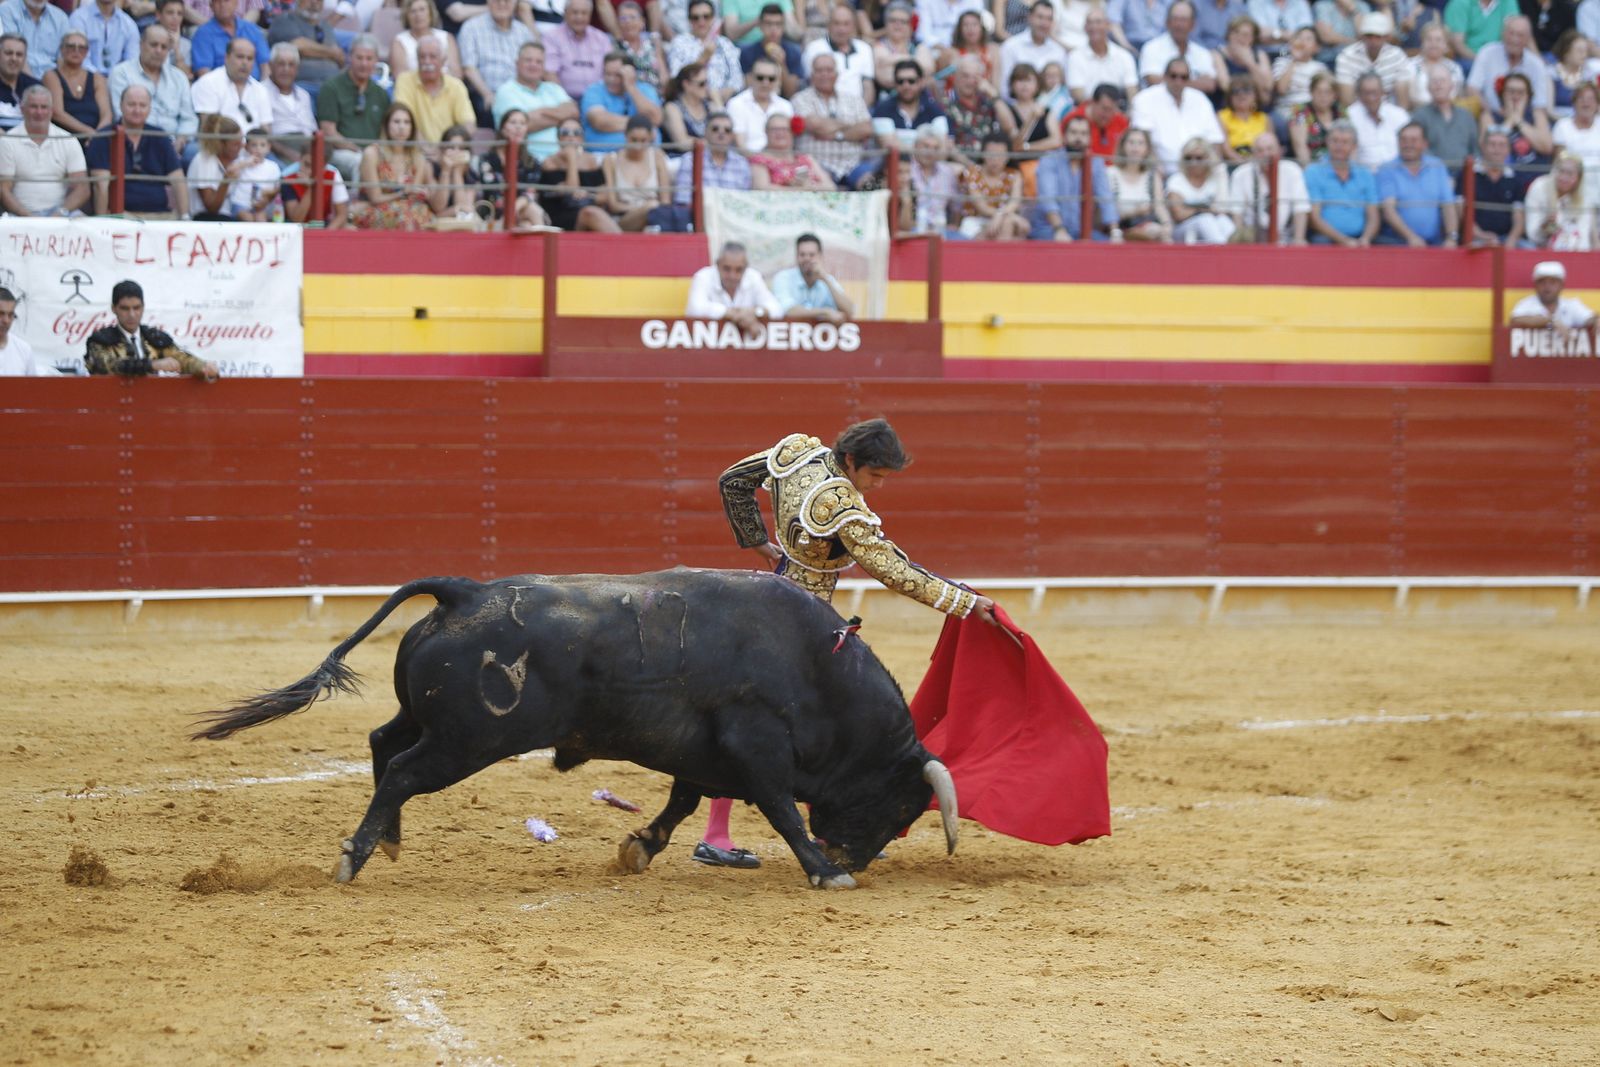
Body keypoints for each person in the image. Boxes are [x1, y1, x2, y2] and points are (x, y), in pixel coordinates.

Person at [697, 418, 998, 867]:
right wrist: (963, 602)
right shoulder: (842, 507)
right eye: (874, 475)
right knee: (798, 720)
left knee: (754, 711)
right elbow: (894, 570)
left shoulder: (798, 453)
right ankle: (758, 832)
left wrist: (759, 543)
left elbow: (733, 482)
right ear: (852, 460)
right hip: (805, 624)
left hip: (766, 597)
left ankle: (731, 833)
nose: (877, 485)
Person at [84, 279, 218, 380]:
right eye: (125, 308)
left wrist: (202, 366)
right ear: (114, 309)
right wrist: (152, 365)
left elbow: (181, 358)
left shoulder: (153, 338)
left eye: (136, 308)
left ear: (143, 307)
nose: (132, 314)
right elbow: (107, 366)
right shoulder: (101, 340)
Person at [88, 84, 187, 216]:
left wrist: (185, 218)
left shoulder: (160, 136)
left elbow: (178, 179)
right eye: (131, 104)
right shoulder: (104, 137)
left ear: (150, 108)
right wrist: (103, 223)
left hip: (160, 216)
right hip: (122, 216)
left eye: (142, 105)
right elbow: (101, 185)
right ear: (121, 105)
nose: (137, 110)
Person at [652, 109, 749, 230]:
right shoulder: (690, 160)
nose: (721, 133)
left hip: (733, 221)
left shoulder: (742, 163)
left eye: (727, 130)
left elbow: (745, 202)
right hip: (700, 221)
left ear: (732, 136)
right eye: (715, 129)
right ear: (705, 133)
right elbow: (683, 201)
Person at [110, 26, 196, 158]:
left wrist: (181, 140)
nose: (158, 51)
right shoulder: (121, 73)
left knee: (199, 154)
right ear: (141, 45)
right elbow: (121, 114)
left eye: (164, 47)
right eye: (154, 45)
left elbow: (189, 118)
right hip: (137, 141)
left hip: (176, 144)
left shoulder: (179, 77)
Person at [0, 83, 86, 214]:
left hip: (60, 213)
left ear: (51, 111)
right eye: (33, 107)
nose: (39, 112)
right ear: (22, 110)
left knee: (86, 226)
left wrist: (60, 213)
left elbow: (82, 188)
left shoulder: (68, 140)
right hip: (20, 215)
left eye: (44, 107)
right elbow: (3, 189)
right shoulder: (8, 141)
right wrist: (27, 217)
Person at [791, 51, 875, 186]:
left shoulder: (854, 100)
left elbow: (866, 129)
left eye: (829, 70)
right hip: (816, 164)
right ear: (811, 75)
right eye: (819, 71)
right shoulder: (800, 99)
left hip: (852, 165)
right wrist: (851, 126)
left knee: (873, 184)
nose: (825, 75)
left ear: (837, 74)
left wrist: (837, 134)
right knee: (820, 187)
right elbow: (816, 125)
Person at [1129, 56, 1225, 173]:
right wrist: (1158, 171)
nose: (1178, 81)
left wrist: (1212, 170)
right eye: (1173, 76)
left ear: (1189, 79)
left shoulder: (1200, 99)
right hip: (1161, 172)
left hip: (1199, 173)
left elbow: (1215, 140)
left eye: (1184, 77)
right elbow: (1144, 140)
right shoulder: (1144, 99)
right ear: (1164, 76)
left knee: (1221, 170)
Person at [1029, 113, 1118, 238]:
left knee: (1110, 249)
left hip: (1082, 232)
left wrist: (1115, 232)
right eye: (1073, 132)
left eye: (1083, 134)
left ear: (1090, 138)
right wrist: (1059, 230)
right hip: (1048, 230)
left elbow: (1105, 198)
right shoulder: (1049, 159)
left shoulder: (1096, 163)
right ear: (1064, 136)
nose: (1078, 138)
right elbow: (1048, 199)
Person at [349, 101, 434, 229]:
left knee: (422, 217)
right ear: (386, 125)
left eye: (407, 122)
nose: (402, 127)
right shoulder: (372, 153)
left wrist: (423, 193)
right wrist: (402, 192)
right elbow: (375, 197)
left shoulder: (418, 158)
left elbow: (413, 195)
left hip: (409, 208)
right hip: (376, 208)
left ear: (412, 128)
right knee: (406, 218)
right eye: (396, 122)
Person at [317, 33, 387, 182]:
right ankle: (357, 202)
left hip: (373, 152)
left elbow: (385, 132)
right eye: (359, 58)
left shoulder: (380, 93)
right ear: (349, 57)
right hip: (339, 152)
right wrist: (359, 151)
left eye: (369, 59)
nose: (364, 64)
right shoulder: (332, 87)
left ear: (376, 61)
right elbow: (329, 132)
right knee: (361, 162)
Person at [1375, 120, 1456, 244]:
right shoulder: (1387, 169)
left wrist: (1451, 237)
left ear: (1425, 144)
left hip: (1434, 242)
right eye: (1403, 140)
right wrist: (1411, 237)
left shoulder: (1437, 166)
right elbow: (1388, 210)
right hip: (1396, 242)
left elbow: (1448, 205)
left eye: (1414, 140)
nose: (1408, 145)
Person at [494, 42, 578, 161]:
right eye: (528, 60)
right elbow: (520, 125)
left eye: (539, 62)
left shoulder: (554, 88)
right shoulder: (506, 91)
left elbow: (574, 112)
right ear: (517, 63)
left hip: (562, 158)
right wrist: (560, 116)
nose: (534, 65)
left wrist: (541, 112)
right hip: (526, 160)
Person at [460, 0, 536, 127]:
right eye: (497, 0)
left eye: (507, 0)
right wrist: (487, 94)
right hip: (488, 93)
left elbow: (535, 63)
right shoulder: (471, 27)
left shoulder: (523, 31)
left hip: (520, 93)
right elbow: (469, 68)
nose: (502, 4)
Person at [473, 108, 553, 228]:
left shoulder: (532, 162)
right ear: (502, 127)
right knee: (527, 222)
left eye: (522, 123)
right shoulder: (487, 159)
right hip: (495, 213)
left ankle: (542, 240)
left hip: (521, 210)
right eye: (513, 122)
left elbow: (529, 194)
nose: (518, 127)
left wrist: (513, 210)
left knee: (527, 221)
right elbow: (493, 194)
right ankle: (545, 242)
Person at [1305, 118, 1378, 243]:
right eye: (1335, 141)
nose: (1339, 146)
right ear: (1327, 142)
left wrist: (1366, 239)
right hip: (1325, 238)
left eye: (1345, 142)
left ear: (1354, 146)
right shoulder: (1313, 171)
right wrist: (1344, 241)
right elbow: (1314, 218)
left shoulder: (1365, 174)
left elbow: (1373, 216)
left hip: (1360, 238)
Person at [538, 117, 620, 230]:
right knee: (590, 213)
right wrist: (572, 159)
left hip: (591, 212)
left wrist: (589, 196)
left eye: (576, 133)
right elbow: (571, 190)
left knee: (592, 212)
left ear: (582, 138)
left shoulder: (591, 161)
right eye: (565, 132)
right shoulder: (550, 163)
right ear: (558, 138)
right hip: (561, 217)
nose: (571, 136)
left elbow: (605, 196)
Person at [685, 240, 783, 329]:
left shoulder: (753, 277)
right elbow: (694, 309)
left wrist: (754, 313)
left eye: (739, 270)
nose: (732, 276)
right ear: (717, 265)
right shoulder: (703, 277)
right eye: (727, 269)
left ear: (746, 268)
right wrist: (731, 314)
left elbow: (777, 309)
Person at [394, 35, 475, 142]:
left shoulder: (456, 85)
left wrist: (448, 148)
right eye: (422, 57)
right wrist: (426, 148)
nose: (427, 62)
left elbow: (468, 124)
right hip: (414, 151)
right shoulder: (405, 81)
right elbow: (403, 120)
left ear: (443, 60)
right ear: (417, 60)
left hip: (448, 151)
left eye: (433, 57)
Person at [1466, 14, 1551, 115]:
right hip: (1491, 114)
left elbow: (1539, 104)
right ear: (1502, 34)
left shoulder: (1536, 64)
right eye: (1511, 33)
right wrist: (1488, 112)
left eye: (1520, 35)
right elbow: (1472, 89)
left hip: (1525, 118)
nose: (1514, 39)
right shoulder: (1487, 53)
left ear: (1528, 39)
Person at [582, 50, 663, 151]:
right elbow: (600, 121)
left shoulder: (645, 89)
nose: (611, 79)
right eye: (607, 74)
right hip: (603, 156)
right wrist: (643, 126)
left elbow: (656, 119)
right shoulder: (594, 90)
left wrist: (630, 87)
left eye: (617, 75)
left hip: (644, 157)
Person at [600, 111, 670, 227]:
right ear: (625, 136)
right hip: (623, 220)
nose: (638, 146)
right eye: (634, 140)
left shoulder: (658, 156)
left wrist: (648, 209)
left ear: (650, 138)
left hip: (654, 219)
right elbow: (613, 205)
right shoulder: (611, 160)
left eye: (643, 141)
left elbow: (665, 200)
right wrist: (643, 209)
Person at [1458, 125, 1524, 246]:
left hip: (1506, 239)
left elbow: (1518, 216)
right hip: (1474, 238)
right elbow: (1461, 210)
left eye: (1502, 145)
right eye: (1492, 145)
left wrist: (1512, 239)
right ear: (1483, 147)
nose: (1496, 150)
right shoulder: (1468, 173)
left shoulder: (1515, 178)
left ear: (1508, 150)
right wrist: (1480, 235)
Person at [192, 37, 274, 135]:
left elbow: (266, 130)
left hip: (254, 148)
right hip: (219, 146)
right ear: (226, 57)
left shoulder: (261, 90)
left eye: (250, 58)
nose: (245, 63)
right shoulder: (208, 83)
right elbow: (208, 128)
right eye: (240, 57)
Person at [666, 0, 743, 104]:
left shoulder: (724, 43)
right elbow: (677, 80)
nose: (701, 22)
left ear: (713, 18)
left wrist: (726, 92)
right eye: (695, 18)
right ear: (689, 20)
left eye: (706, 16)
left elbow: (737, 78)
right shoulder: (679, 43)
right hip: (692, 101)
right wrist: (702, 59)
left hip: (726, 99)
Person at [1483, 70, 1552, 182]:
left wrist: (1519, 121)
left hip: (1535, 180)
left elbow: (1546, 147)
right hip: (1502, 180)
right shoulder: (1489, 116)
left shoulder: (1537, 115)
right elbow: (1488, 146)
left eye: (1520, 92)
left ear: (1528, 96)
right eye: (1511, 91)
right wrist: (1511, 119)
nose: (1515, 96)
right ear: (1502, 93)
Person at [957, 131, 1029, 238]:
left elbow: (1015, 202)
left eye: (1000, 155)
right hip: (975, 222)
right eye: (991, 154)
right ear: (983, 154)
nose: (995, 160)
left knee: (1012, 224)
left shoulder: (1014, 174)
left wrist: (1001, 216)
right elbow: (982, 207)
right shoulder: (972, 173)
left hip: (1004, 218)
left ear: (1008, 156)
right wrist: (1001, 215)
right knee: (1008, 223)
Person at [1139, 2, 1220, 95]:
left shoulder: (1202, 52)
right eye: (1175, 19)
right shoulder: (1151, 48)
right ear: (1167, 22)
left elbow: (1209, 85)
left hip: (1194, 105)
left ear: (1193, 24)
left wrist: (1171, 81)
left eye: (1184, 20)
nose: (1179, 24)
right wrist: (1195, 82)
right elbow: (1153, 80)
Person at [771, 232, 857, 320]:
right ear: (796, 257)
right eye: (802, 255)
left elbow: (850, 310)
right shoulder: (783, 278)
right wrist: (824, 312)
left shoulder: (827, 279)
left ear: (820, 256)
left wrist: (825, 279)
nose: (807, 259)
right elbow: (789, 311)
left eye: (811, 255)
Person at [1109, 124, 1173, 240]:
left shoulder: (1152, 176)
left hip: (1148, 227)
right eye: (1131, 142)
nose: (1135, 148)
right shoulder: (1111, 173)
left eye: (1140, 143)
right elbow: (1107, 212)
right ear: (1123, 146)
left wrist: (1167, 225)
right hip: (1121, 229)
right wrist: (1135, 212)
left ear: (1147, 149)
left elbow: (1159, 206)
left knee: (1163, 235)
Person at [870, 57, 948, 153]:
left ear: (921, 82)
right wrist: (927, 150)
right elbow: (889, 146)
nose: (906, 86)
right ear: (895, 83)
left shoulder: (935, 110)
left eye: (911, 81)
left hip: (928, 167)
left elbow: (942, 149)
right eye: (900, 81)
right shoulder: (883, 109)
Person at [267, 0, 346, 96]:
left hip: (332, 86)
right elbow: (299, 46)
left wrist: (338, 57)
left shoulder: (326, 27)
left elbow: (340, 58)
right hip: (303, 86)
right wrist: (332, 53)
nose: (314, 2)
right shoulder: (285, 20)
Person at [1165, 136, 1235, 241]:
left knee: (1223, 221)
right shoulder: (1176, 180)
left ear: (1208, 158)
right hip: (1181, 230)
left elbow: (1222, 210)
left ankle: (1233, 251)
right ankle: (1223, 252)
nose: (1193, 162)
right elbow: (1179, 214)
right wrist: (1203, 211)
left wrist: (1221, 173)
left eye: (1199, 158)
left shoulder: (1215, 178)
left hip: (1212, 223)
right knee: (1205, 220)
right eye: (1188, 158)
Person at [43, 29, 109, 140]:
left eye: (81, 48)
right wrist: (89, 133)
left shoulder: (97, 78)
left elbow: (107, 114)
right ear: (62, 49)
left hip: (94, 138)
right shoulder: (51, 76)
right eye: (71, 46)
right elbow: (57, 113)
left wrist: (98, 137)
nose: (76, 51)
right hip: (63, 138)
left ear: (87, 52)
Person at [1335, 11, 1410, 107]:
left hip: (1390, 111)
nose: (1373, 41)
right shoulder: (1346, 56)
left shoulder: (1398, 56)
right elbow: (1347, 100)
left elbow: (1403, 100)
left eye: (1378, 36)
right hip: (1357, 112)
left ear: (1386, 37)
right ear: (1362, 36)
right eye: (1369, 36)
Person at [276, 131, 350, 226]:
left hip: (324, 227)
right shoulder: (287, 177)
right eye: (306, 165)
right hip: (296, 231)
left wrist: (325, 236)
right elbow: (296, 219)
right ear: (300, 158)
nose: (311, 171)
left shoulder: (333, 174)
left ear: (325, 165)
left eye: (316, 167)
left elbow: (342, 215)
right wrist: (312, 189)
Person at [547, 0, 615, 100]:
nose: (579, 17)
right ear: (565, 13)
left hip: (599, 99)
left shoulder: (601, 38)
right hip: (565, 99)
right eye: (575, 12)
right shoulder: (551, 37)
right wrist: (564, 100)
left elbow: (611, 70)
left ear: (590, 15)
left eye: (584, 13)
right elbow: (550, 74)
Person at [1524, 150, 1592, 248]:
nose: (1564, 178)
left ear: (1578, 178)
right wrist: (1545, 227)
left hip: (1573, 252)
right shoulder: (1539, 187)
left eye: (1569, 174)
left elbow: (1584, 240)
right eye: (1561, 171)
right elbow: (1532, 234)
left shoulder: (1584, 197)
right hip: (1539, 248)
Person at [1410, 65, 1477, 165]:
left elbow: (1475, 150)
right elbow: (1417, 150)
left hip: (1464, 175)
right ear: (1428, 88)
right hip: (1432, 174)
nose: (1438, 85)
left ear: (1452, 86)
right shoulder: (1419, 116)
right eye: (1434, 81)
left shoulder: (1466, 116)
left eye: (1442, 80)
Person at [1508, 259, 1596, 334]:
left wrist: (1596, 320)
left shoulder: (1571, 305)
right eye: (1542, 282)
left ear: (1562, 285)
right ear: (1535, 285)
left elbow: (1589, 318)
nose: (1547, 286)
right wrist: (1550, 322)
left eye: (1553, 282)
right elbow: (1515, 320)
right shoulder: (1527, 303)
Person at [727, 54, 793, 152]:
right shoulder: (736, 104)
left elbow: (789, 144)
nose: (765, 83)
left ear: (777, 81)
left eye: (771, 79)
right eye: (760, 77)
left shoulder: (786, 106)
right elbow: (740, 146)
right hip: (748, 162)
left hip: (780, 162)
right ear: (750, 78)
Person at [186, 112, 246, 219]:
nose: (242, 146)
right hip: (206, 219)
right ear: (220, 145)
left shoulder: (239, 158)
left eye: (242, 140)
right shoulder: (203, 160)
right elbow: (212, 208)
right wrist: (226, 180)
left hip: (231, 216)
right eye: (236, 144)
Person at [192, 0, 270, 80]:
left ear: (236, 3)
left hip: (255, 87)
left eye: (227, 1)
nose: (222, 4)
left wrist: (262, 89)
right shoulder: (203, 34)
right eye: (217, 1)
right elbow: (204, 74)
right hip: (218, 89)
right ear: (211, 6)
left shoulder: (251, 29)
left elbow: (265, 66)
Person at [1002, 1, 1067, 94]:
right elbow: (1005, 88)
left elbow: (1063, 88)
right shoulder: (1011, 46)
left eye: (1049, 19)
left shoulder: (1059, 51)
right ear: (1029, 17)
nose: (1044, 23)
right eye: (1040, 17)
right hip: (1016, 106)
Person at [389, 0, 462, 81]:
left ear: (430, 13)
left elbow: (457, 74)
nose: (418, 15)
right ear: (406, 16)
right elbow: (400, 77)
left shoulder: (447, 37)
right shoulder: (399, 41)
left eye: (422, 9)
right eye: (413, 11)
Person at [934, 9, 1001, 97]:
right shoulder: (950, 53)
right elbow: (936, 79)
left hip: (985, 98)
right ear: (959, 29)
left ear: (982, 27)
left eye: (975, 24)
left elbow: (996, 85)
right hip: (955, 101)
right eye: (966, 25)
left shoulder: (993, 50)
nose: (971, 29)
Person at [742, 3, 804, 97]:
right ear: (760, 25)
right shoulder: (748, 52)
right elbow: (749, 89)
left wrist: (782, 64)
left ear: (783, 27)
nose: (773, 29)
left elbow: (791, 93)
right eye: (768, 24)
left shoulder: (793, 52)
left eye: (778, 24)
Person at [1348, 70, 1408, 167]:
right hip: (1365, 175)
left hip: (1397, 173)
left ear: (1382, 93)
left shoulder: (1399, 115)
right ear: (1358, 94)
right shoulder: (1350, 117)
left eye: (1375, 92)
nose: (1371, 98)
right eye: (1366, 93)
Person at [0, 0, 67, 81]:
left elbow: (63, 59)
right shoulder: (7, 9)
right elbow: (13, 51)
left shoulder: (60, 17)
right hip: (17, 75)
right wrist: (34, 84)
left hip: (51, 79)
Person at [66, 0, 137, 76]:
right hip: (85, 79)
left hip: (118, 82)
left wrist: (115, 80)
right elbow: (80, 60)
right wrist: (99, 81)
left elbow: (131, 63)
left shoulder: (129, 24)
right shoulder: (79, 18)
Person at [874, 1, 933, 93]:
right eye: (893, 21)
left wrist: (891, 61)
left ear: (910, 26)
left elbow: (928, 68)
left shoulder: (919, 45)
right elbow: (885, 77)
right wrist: (915, 62)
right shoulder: (879, 45)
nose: (898, 25)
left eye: (903, 22)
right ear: (886, 24)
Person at [1215, 14, 1273, 103]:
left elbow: (1268, 86)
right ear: (1228, 34)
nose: (1239, 38)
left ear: (1253, 39)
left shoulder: (1259, 55)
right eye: (1236, 32)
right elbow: (1225, 86)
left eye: (1246, 35)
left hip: (1256, 106)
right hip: (1229, 106)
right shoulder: (1217, 54)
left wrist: (1250, 63)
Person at [1060, 82, 1128, 158]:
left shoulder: (1121, 121)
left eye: (1112, 110)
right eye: (1105, 108)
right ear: (1093, 102)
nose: (1108, 114)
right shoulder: (1072, 119)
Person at [613, 1, 667, 95]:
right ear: (618, 23)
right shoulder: (614, 47)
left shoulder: (653, 43)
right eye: (623, 18)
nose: (628, 22)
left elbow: (663, 74)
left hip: (656, 95)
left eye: (632, 17)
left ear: (642, 22)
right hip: (629, 96)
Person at [1404, 22, 1463, 110]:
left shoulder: (1455, 68)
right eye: (1429, 39)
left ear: (1446, 45)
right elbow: (1406, 99)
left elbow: (1458, 98)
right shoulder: (1409, 66)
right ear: (1422, 42)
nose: (1433, 44)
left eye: (1438, 40)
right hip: (1417, 114)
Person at [1290, 68, 1342, 163]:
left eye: (1327, 92)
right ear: (1311, 92)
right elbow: (1300, 147)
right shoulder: (1301, 112)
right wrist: (1310, 173)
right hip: (1313, 166)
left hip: (1339, 165)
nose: (1323, 96)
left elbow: (1350, 142)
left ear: (1334, 95)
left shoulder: (1340, 111)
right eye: (1318, 91)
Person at [264, 42, 317, 136]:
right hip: (279, 146)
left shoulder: (304, 95)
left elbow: (313, 130)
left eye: (291, 65)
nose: (286, 69)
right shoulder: (261, 92)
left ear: (297, 69)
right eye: (281, 64)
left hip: (307, 144)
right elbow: (264, 136)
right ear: (271, 66)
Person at [1444, 0, 1512, 62]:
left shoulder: (1508, 2)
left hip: (1502, 58)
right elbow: (1458, 44)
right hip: (1469, 59)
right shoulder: (1459, 3)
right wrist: (1482, 62)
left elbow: (1514, 33)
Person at [1218, 79, 1267, 161]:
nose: (1241, 94)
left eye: (1246, 90)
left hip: (1261, 162)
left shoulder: (1264, 118)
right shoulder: (1222, 116)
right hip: (1234, 163)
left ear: (1256, 95)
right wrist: (1243, 163)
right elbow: (1225, 150)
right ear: (1230, 97)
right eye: (1235, 91)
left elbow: (1272, 146)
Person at [0, 285, 41, 376]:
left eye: (10, 315)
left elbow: (32, 388)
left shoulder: (24, 350)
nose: (6, 320)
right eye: (1, 314)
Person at [0, 31, 36, 131]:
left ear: (25, 58)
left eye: (19, 54)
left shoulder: (34, 87)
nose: (14, 58)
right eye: (8, 53)